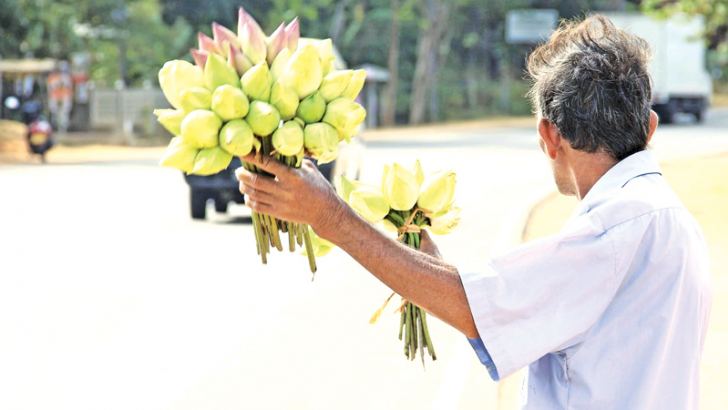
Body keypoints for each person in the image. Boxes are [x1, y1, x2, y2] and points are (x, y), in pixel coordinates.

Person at [236, 15, 711, 409]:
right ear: (650, 127)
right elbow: (503, 309)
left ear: (549, 136)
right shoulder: (662, 217)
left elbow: (472, 306)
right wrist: (425, 268)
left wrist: (330, 216)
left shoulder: (616, 228)